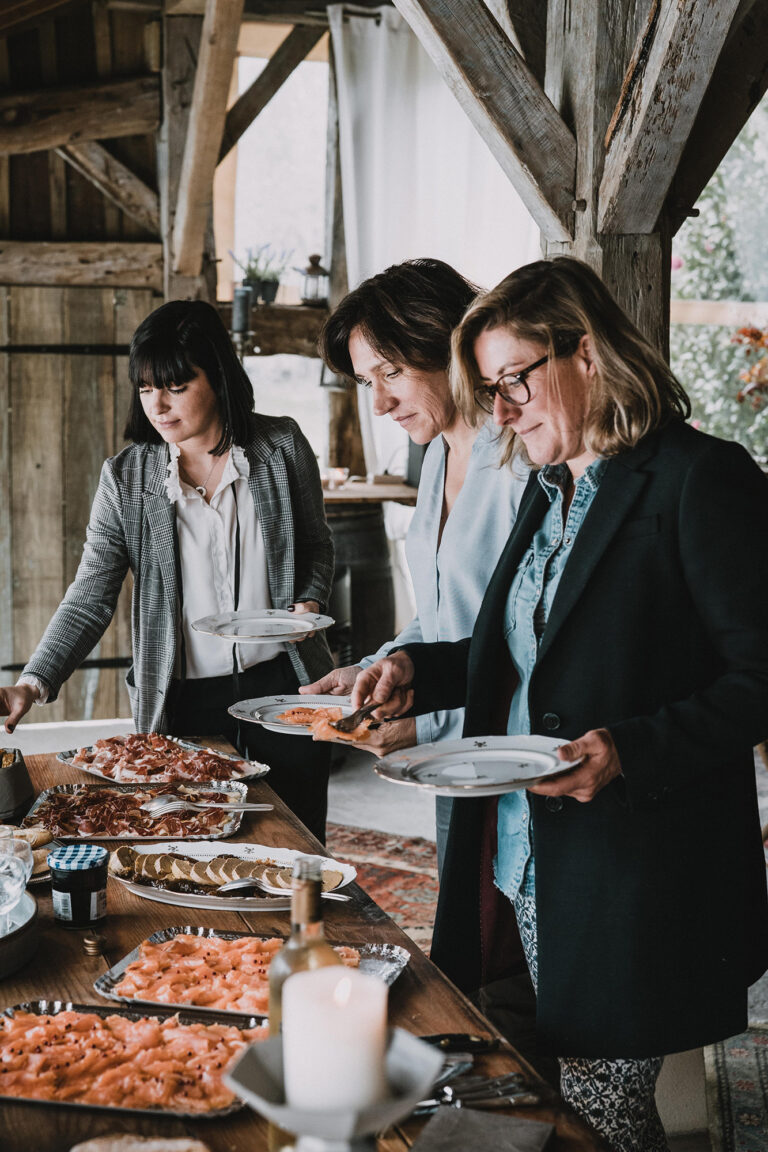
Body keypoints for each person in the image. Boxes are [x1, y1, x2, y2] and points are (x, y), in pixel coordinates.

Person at [348, 257, 768, 1150]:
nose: (499, 411)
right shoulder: (548, 487)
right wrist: (418, 670)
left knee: (602, 1125)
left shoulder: (700, 478)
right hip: (511, 856)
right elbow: (515, 657)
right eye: (489, 389)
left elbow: (757, 681)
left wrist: (627, 749)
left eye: (513, 382)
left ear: (585, 352)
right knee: (522, 1099)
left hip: (628, 874)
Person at [0, 300, 334, 841]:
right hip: (185, 700)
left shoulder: (281, 447)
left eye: (176, 385)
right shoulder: (126, 478)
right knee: (192, 844)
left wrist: (309, 604)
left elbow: (317, 543)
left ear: (218, 377)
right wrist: (33, 683)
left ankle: (305, 929)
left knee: (296, 841)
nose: (157, 404)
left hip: (286, 686)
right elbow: (90, 594)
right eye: (145, 387)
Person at [300, 258, 528, 871]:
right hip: (452, 751)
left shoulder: (522, 459)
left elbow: (527, 640)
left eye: (391, 373)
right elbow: (440, 618)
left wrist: (424, 724)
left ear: (449, 345)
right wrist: (373, 670)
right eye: (366, 381)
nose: (379, 404)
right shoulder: (433, 462)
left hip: (513, 753)